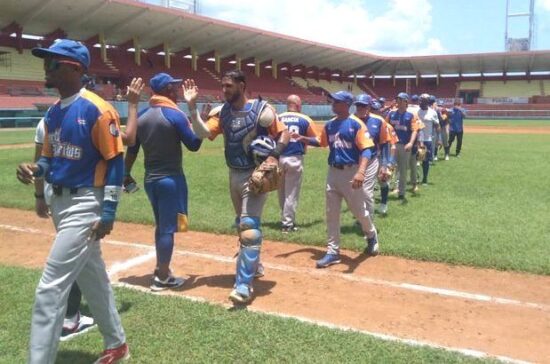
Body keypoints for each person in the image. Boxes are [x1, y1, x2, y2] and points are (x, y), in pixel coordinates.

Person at [16, 39, 128, 364]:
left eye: (52, 62)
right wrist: (36, 169)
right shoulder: (53, 113)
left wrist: (108, 212)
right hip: (60, 203)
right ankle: (117, 344)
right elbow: (51, 159)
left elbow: (115, 162)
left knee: (50, 288)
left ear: (74, 68)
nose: (45, 68)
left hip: (85, 204)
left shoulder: (96, 108)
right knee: (93, 279)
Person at [183, 70, 289, 304]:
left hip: (255, 175)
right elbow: (202, 133)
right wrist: (191, 108)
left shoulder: (263, 111)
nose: (225, 90)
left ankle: (243, 285)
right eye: (223, 86)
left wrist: (274, 156)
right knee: (241, 225)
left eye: (229, 86)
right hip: (234, 174)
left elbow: (284, 134)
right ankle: (256, 265)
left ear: (242, 85)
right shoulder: (222, 113)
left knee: (249, 226)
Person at [125, 73, 202, 291]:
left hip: (151, 179)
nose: (177, 92)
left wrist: (125, 173)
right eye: (174, 88)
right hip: (171, 179)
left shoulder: (141, 116)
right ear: (168, 91)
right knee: (168, 229)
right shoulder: (174, 115)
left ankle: (163, 270)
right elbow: (194, 144)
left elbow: (132, 149)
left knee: (162, 226)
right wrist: (199, 121)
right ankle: (162, 277)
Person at [316, 91, 379, 268]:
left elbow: (366, 149)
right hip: (333, 173)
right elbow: (321, 142)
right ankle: (333, 251)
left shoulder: (356, 124)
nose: (332, 104)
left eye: (336, 101)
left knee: (359, 212)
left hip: (351, 173)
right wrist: (300, 139)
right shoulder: (330, 125)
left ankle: (371, 234)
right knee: (331, 213)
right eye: (333, 101)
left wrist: (361, 172)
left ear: (346, 104)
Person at [277, 94, 320, 233]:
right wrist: (303, 138)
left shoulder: (278, 117)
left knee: (282, 192)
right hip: (295, 158)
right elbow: (317, 139)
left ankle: (285, 219)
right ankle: (287, 224)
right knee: (291, 193)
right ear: (298, 105)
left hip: (279, 157)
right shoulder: (304, 119)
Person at [352, 94, 389, 218]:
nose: (360, 108)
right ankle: (361, 217)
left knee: (366, 192)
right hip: (353, 161)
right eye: (358, 106)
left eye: (363, 106)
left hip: (371, 160)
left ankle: (368, 222)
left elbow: (384, 144)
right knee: (355, 192)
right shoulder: (350, 120)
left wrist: (384, 164)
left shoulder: (379, 121)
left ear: (368, 106)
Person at [387, 92, 420, 202]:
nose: (398, 101)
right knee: (388, 167)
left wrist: (411, 143)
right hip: (392, 144)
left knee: (403, 169)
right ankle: (385, 188)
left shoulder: (411, 115)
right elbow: (385, 127)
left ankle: (401, 192)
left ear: (406, 102)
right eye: (397, 99)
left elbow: (415, 130)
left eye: (401, 100)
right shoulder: (391, 114)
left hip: (404, 145)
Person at [417, 94, 439, 185]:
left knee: (425, 161)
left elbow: (437, 126)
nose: (420, 102)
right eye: (420, 100)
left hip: (427, 140)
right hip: (416, 140)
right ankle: (415, 178)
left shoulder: (432, 112)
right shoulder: (416, 111)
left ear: (427, 102)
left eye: (422, 100)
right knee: (415, 160)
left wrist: (439, 139)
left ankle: (425, 178)